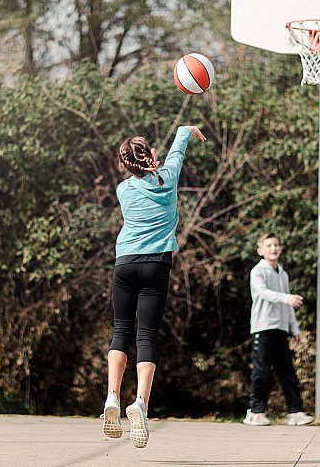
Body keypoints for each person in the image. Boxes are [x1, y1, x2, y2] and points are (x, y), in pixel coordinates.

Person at [101, 125, 206, 448]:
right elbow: (178, 150)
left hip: (125, 263)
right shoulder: (167, 179)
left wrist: (150, 159)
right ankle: (140, 404)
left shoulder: (123, 190)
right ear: (150, 156)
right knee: (146, 335)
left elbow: (149, 168)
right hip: (156, 265)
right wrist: (186, 131)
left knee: (121, 330)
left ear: (126, 165)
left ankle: (112, 396)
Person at [243, 232, 314, 426]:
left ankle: (295, 412)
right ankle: (255, 412)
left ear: (280, 248)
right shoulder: (258, 271)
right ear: (260, 250)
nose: (273, 248)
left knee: (287, 371)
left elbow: (288, 304)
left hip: (281, 328)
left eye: (276, 245)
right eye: (269, 245)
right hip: (263, 327)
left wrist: (295, 329)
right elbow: (264, 293)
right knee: (261, 371)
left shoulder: (283, 273)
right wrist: (286, 298)